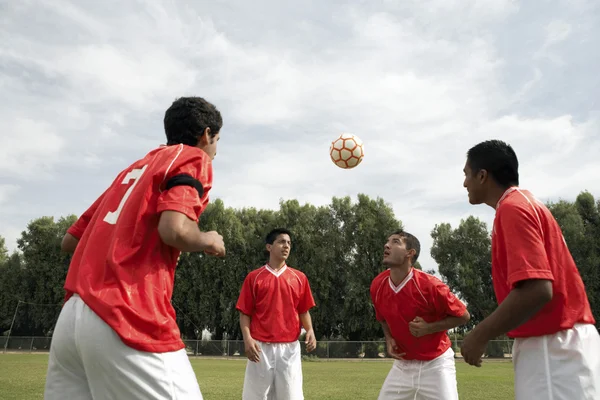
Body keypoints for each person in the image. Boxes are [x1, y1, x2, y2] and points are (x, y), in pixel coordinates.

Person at [43, 96, 226, 400]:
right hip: (125, 314)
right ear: (206, 134)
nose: (216, 150)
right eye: (217, 140)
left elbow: (69, 241)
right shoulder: (193, 157)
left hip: (72, 319)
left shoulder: (131, 172)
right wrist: (208, 238)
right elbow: (174, 229)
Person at [460, 139, 600, 399]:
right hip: (557, 345)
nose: (464, 183)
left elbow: (537, 289)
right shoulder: (524, 203)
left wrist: (479, 334)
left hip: (552, 347)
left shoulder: (512, 209)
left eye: (467, 174)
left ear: (482, 176)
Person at [370, 230, 470, 400]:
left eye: (395, 242)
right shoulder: (377, 285)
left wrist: (429, 328)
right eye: (387, 242)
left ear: (410, 253)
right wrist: (389, 339)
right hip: (403, 365)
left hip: (436, 364)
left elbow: (463, 316)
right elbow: (382, 318)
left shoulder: (430, 285)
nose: (387, 245)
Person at [235, 228, 317, 400]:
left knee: (291, 396)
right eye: (281, 242)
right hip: (260, 347)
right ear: (269, 247)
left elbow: (303, 310)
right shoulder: (254, 277)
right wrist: (248, 339)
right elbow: (245, 313)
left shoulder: (299, 277)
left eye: (288, 243)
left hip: (289, 349)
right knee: (254, 397)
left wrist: (310, 330)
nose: (286, 246)